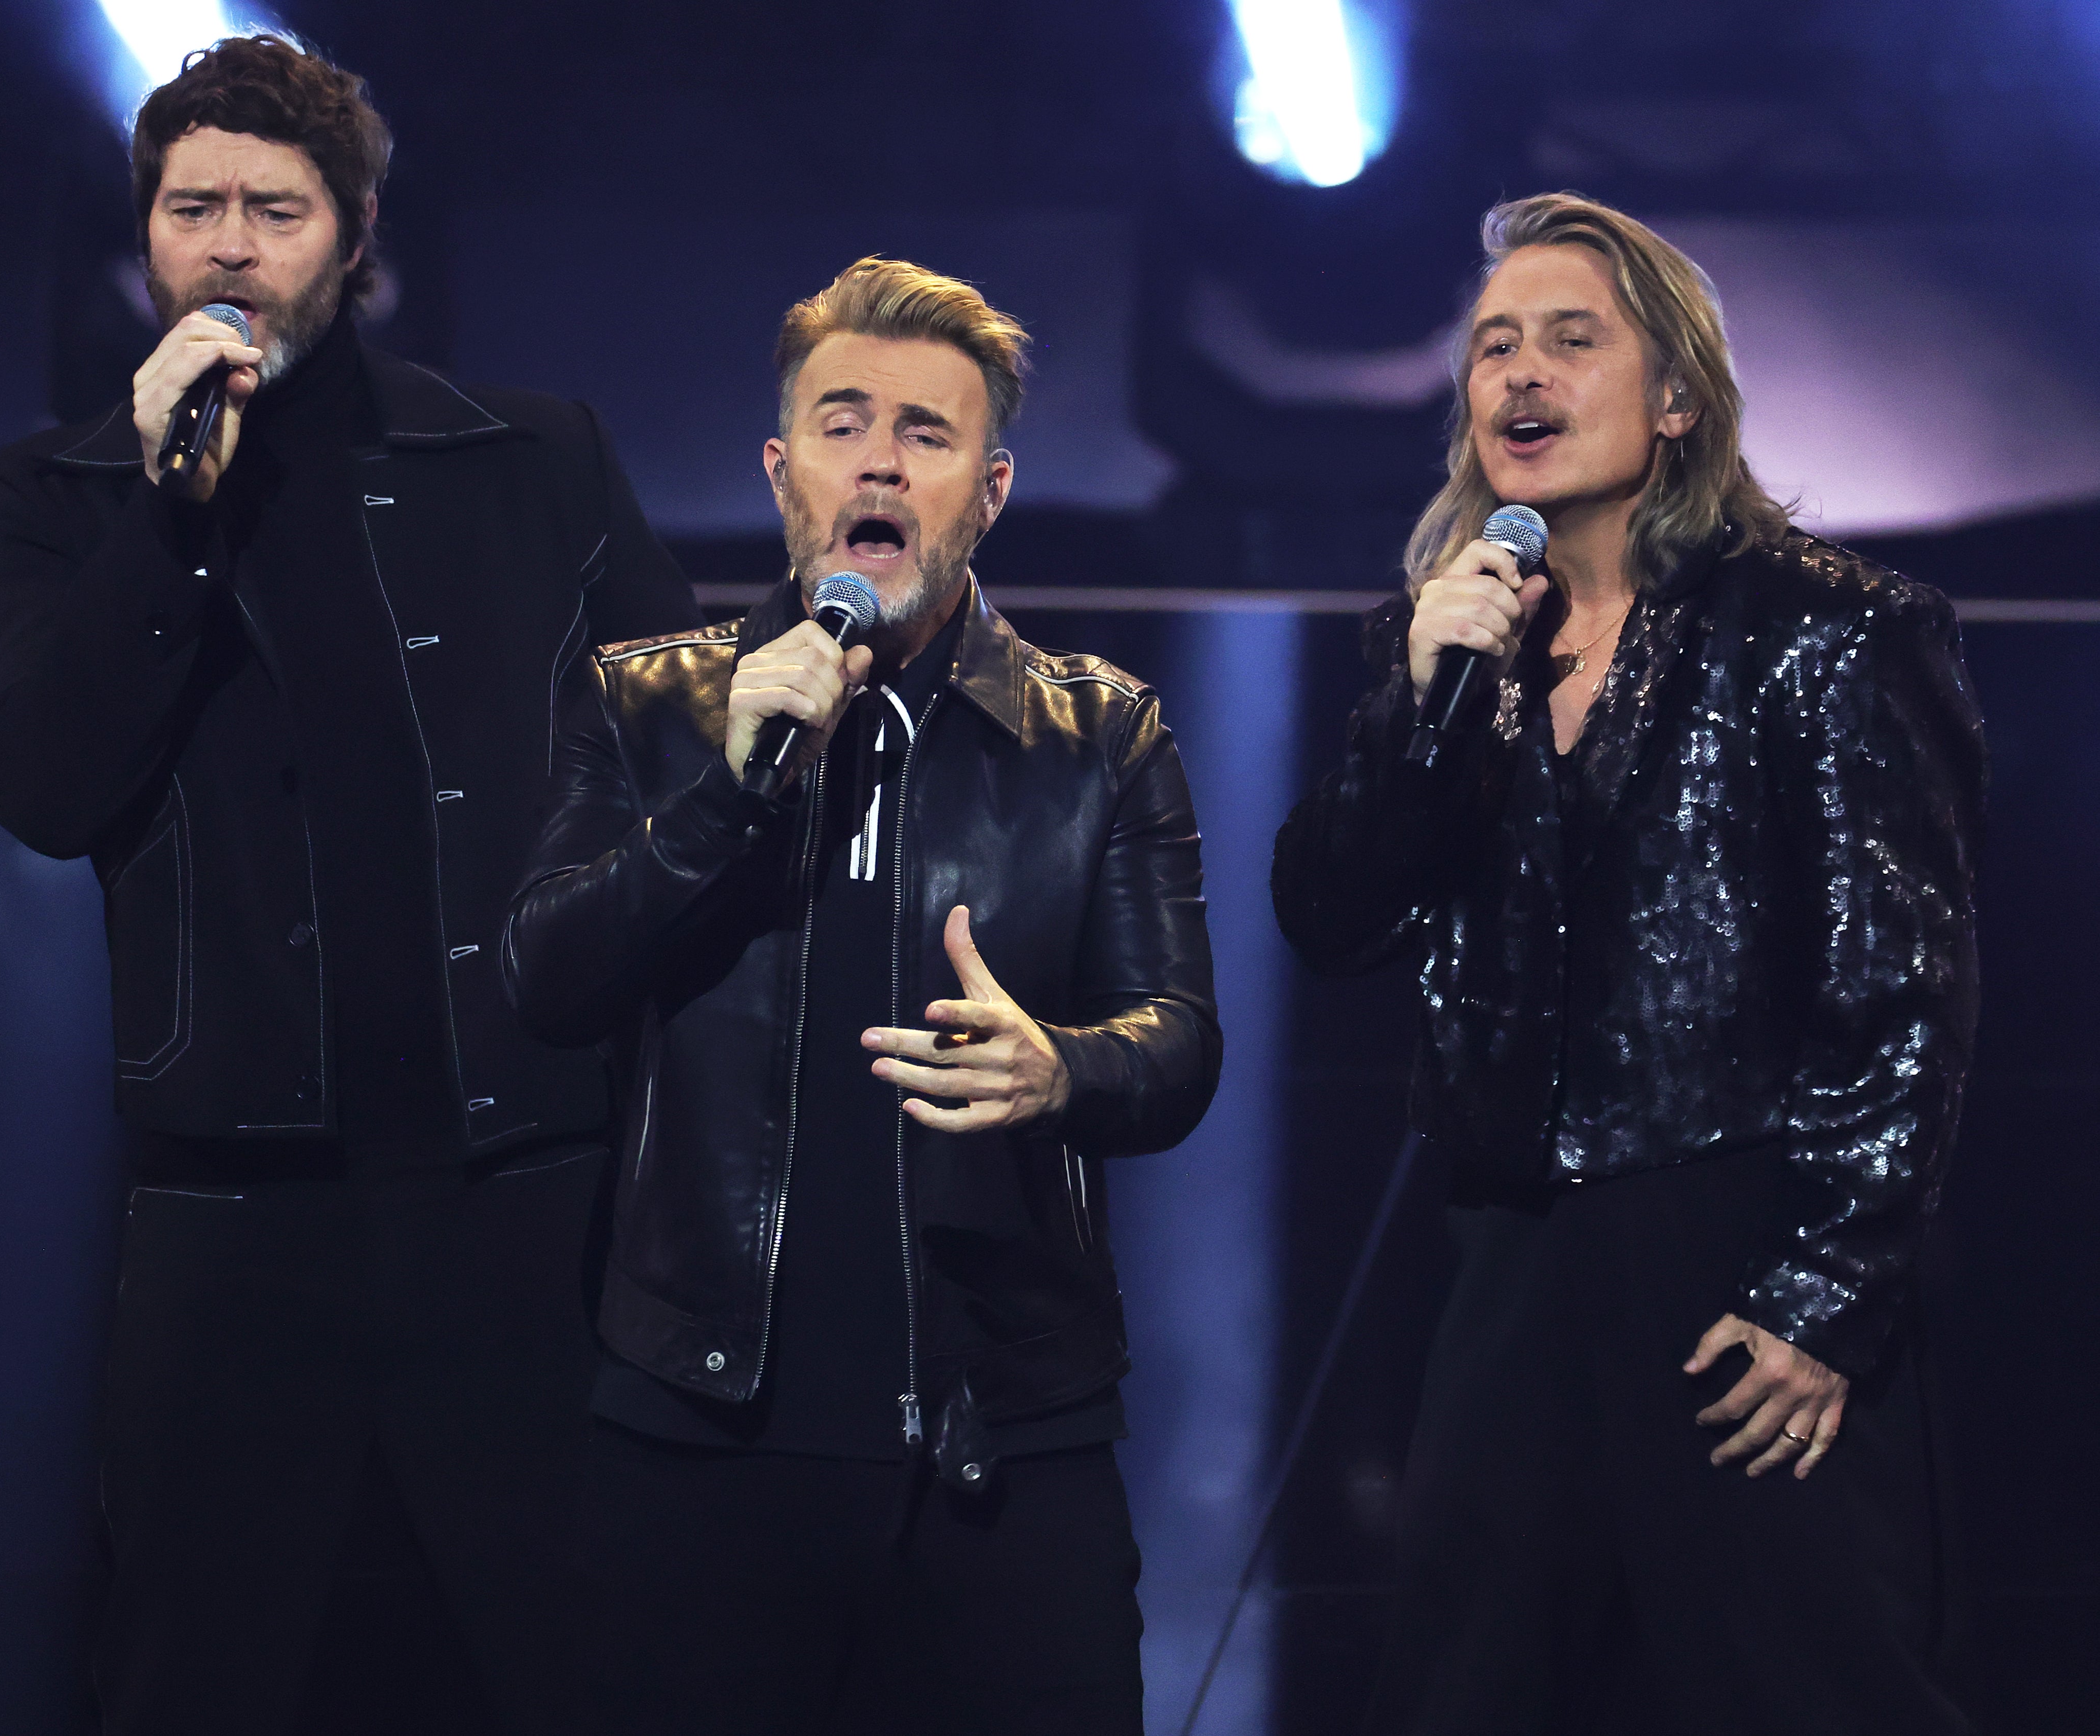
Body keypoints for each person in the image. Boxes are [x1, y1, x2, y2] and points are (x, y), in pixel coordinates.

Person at [0, 36, 700, 1735]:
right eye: (193, 207)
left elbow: (682, 762)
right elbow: (42, 791)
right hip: (230, 1211)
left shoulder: (530, 460)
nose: (229, 246)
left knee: (572, 1663)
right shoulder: (68, 496)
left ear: (356, 234)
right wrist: (167, 527)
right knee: (189, 1672)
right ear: (144, 234)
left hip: (514, 1190)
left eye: (275, 210)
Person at [1272, 193, 1984, 1734]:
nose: (1520, 373)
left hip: (1735, 1254)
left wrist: (1822, 1290)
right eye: (1493, 347)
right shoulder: (1448, 643)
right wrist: (1414, 713)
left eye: (1571, 340)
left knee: (1797, 1691)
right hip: (1512, 1260)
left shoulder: (1824, 632)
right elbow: (1330, 919)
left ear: (1675, 398)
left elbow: (1908, 992)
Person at [503, 256, 1220, 1734]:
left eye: (927, 432)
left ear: (993, 489)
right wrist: (723, 792)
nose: (880, 459)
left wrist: (1062, 1071)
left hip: (1001, 1445)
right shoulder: (644, 704)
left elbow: (1181, 1040)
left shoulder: (1098, 734)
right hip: (699, 1437)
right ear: (781, 470)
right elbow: (542, 979)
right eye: (843, 423)